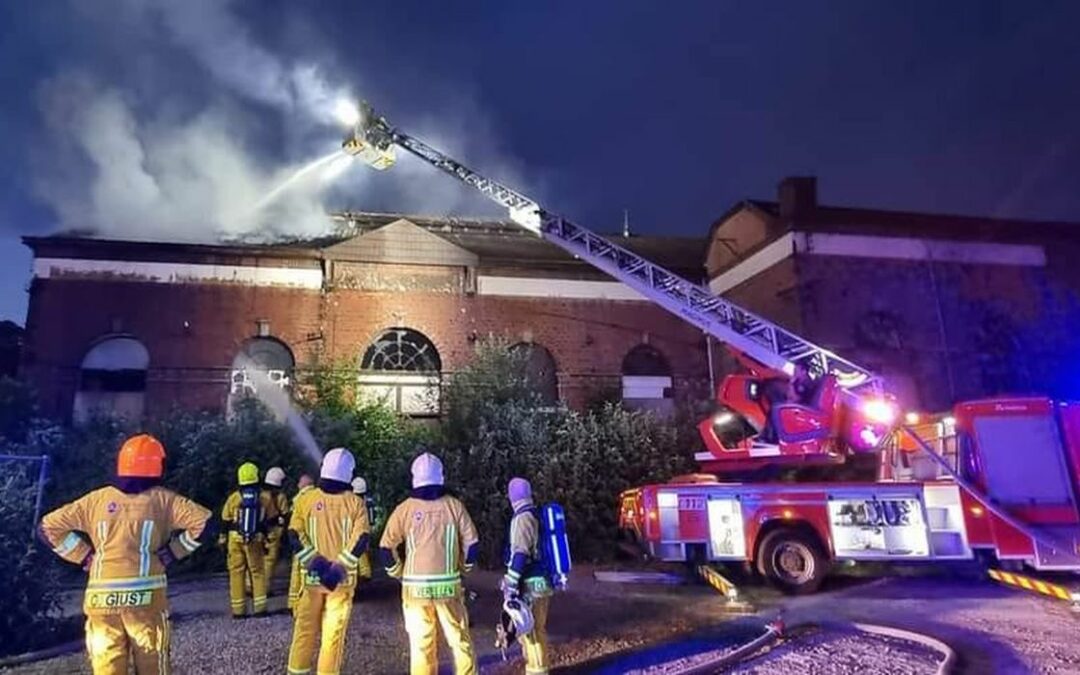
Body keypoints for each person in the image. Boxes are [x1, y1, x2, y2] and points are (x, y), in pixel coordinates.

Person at [39, 434, 214, 675]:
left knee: (107, 667)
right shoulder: (164, 500)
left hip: (101, 601)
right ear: (156, 465)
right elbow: (205, 523)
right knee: (153, 664)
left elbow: (47, 528)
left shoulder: (95, 500)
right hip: (145, 600)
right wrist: (174, 552)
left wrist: (84, 555)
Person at [380, 453, 480, 675]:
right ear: (441, 476)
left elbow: (386, 548)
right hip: (449, 588)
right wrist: (463, 569)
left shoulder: (404, 508)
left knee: (421, 646)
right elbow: (472, 545)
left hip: (415, 590)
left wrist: (398, 573)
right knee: (459, 640)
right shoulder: (454, 506)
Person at [286, 449, 370, 675]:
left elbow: (294, 535)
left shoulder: (306, 500)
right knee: (332, 637)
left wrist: (316, 564)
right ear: (348, 474)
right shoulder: (356, 503)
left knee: (304, 632)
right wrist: (336, 569)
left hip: (312, 580)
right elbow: (360, 540)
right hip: (340, 583)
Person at [501, 477, 553, 675]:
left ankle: (538, 671)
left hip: (531, 584)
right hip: (542, 582)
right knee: (536, 630)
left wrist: (511, 583)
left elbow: (520, 553)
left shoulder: (523, 518)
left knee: (532, 633)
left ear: (512, 496)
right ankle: (537, 669)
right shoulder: (535, 514)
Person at [221, 462, 276, 618]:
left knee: (236, 573)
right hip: (255, 539)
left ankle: (238, 611)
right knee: (257, 572)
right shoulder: (265, 497)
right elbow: (271, 519)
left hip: (235, 538)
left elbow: (225, 519)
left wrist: (223, 537)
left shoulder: (234, 498)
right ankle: (260, 608)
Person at [287, 474, 316, 612]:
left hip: (302, 543)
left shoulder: (299, 499)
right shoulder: (319, 496)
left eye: (299, 482)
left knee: (298, 575)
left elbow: (295, 525)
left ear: (303, 484)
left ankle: (297, 606)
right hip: (316, 544)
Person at [263, 466, 290, 585]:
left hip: (259, 531)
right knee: (270, 560)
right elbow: (285, 514)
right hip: (273, 532)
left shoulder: (261, 494)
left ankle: (250, 585)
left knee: (257, 558)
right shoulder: (280, 496)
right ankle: (264, 587)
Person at [351, 476, 374, 583]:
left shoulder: (352, 501)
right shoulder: (368, 500)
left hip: (357, 529)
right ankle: (365, 573)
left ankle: (363, 573)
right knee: (363, 550)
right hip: (367, 528)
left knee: (358, 550)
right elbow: (372, 518)